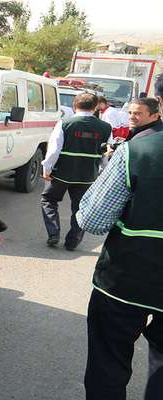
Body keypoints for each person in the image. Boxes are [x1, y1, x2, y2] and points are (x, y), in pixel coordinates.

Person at [77, 74, 163, 400]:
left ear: (160, 104)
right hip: (129, 280)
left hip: (125, 281)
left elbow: (93, 220)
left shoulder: (136, 151)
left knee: (108, 364)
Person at [40, 93, 111, 251]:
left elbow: (53, 150)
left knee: (48, 200)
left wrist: (47, 169)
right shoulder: (106, 128)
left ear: (74, 105)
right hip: (87, 176)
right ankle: (73, 241)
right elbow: (105, 154)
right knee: (80, 208)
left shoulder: (65, 123)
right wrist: (103, 175)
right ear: (95, 107)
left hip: (62, 173)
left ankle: (53, 234)